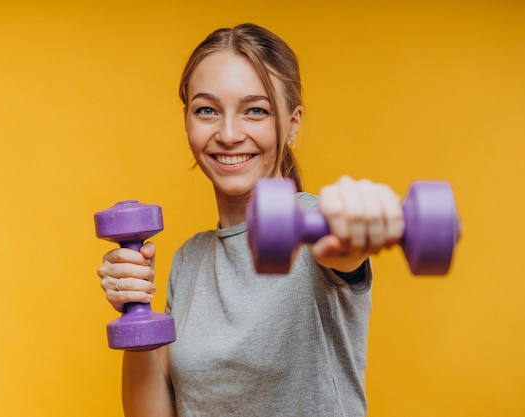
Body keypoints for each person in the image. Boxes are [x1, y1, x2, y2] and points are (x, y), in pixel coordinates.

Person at [97, 23, 404, 417]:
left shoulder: (318, 226)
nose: (227, 134)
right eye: (207, 110)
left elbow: (343, 249)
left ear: (292, 123)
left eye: (255, 110)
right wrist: (134, 306)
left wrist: (358, 223)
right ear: (188, 121)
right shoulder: (189, 262)